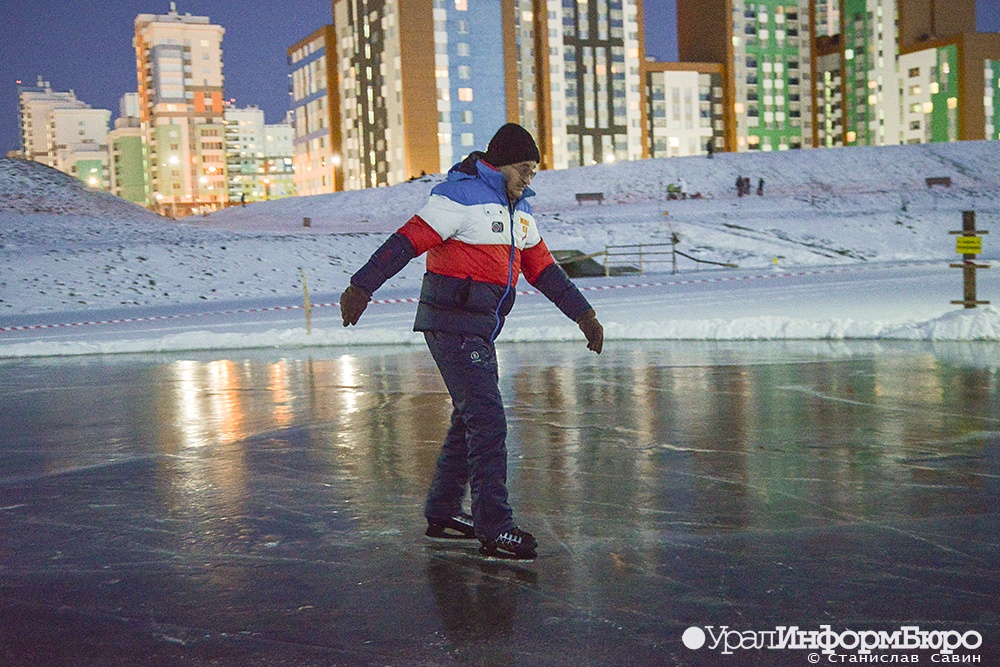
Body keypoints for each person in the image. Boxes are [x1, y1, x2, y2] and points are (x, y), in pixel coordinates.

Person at [338, 123, 604, 560]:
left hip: (478, 328)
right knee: (487, 420)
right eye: (523, 168)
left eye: (534, 170)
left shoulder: (520, 212)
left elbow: (544, 270)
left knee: (471, 420)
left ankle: (443, 511)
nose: (529, 178)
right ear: (500, 164)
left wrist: (584, 315)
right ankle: (494, 527)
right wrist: (361, 285)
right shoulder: (459, 196)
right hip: (452, 324)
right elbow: (406, 242)